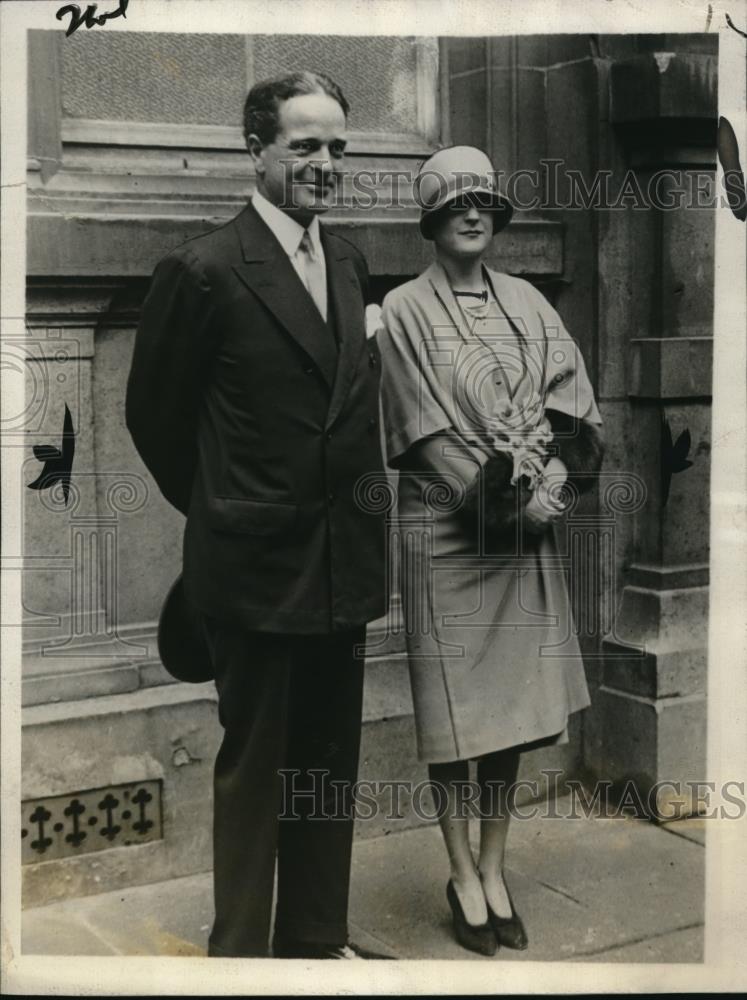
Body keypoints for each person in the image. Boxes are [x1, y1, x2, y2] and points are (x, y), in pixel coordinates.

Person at [125, 71, 387, 959]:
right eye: (305, 144)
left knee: (325, 770)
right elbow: (155, 419)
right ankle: (238, 957)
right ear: (257, 149)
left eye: (337, 147)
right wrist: (229, 512)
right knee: (255, 772)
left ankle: (316, 942)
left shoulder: (346, 262)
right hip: (255, 569)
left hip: (341, 564)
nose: (325, 163)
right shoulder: (203, 269)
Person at [376, 145, 604, 956]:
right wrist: (509, 501)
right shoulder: (402, 309)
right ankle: (459, 870)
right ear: (431, 222)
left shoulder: (530, 305)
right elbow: (421, 435)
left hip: (526, 520)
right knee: (454, 711)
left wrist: (551, 489)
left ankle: (496, 864)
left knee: (507, 712)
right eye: (452, 205)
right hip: (448, 527)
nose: (471, 214)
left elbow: (572, 405)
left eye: (483, 203)